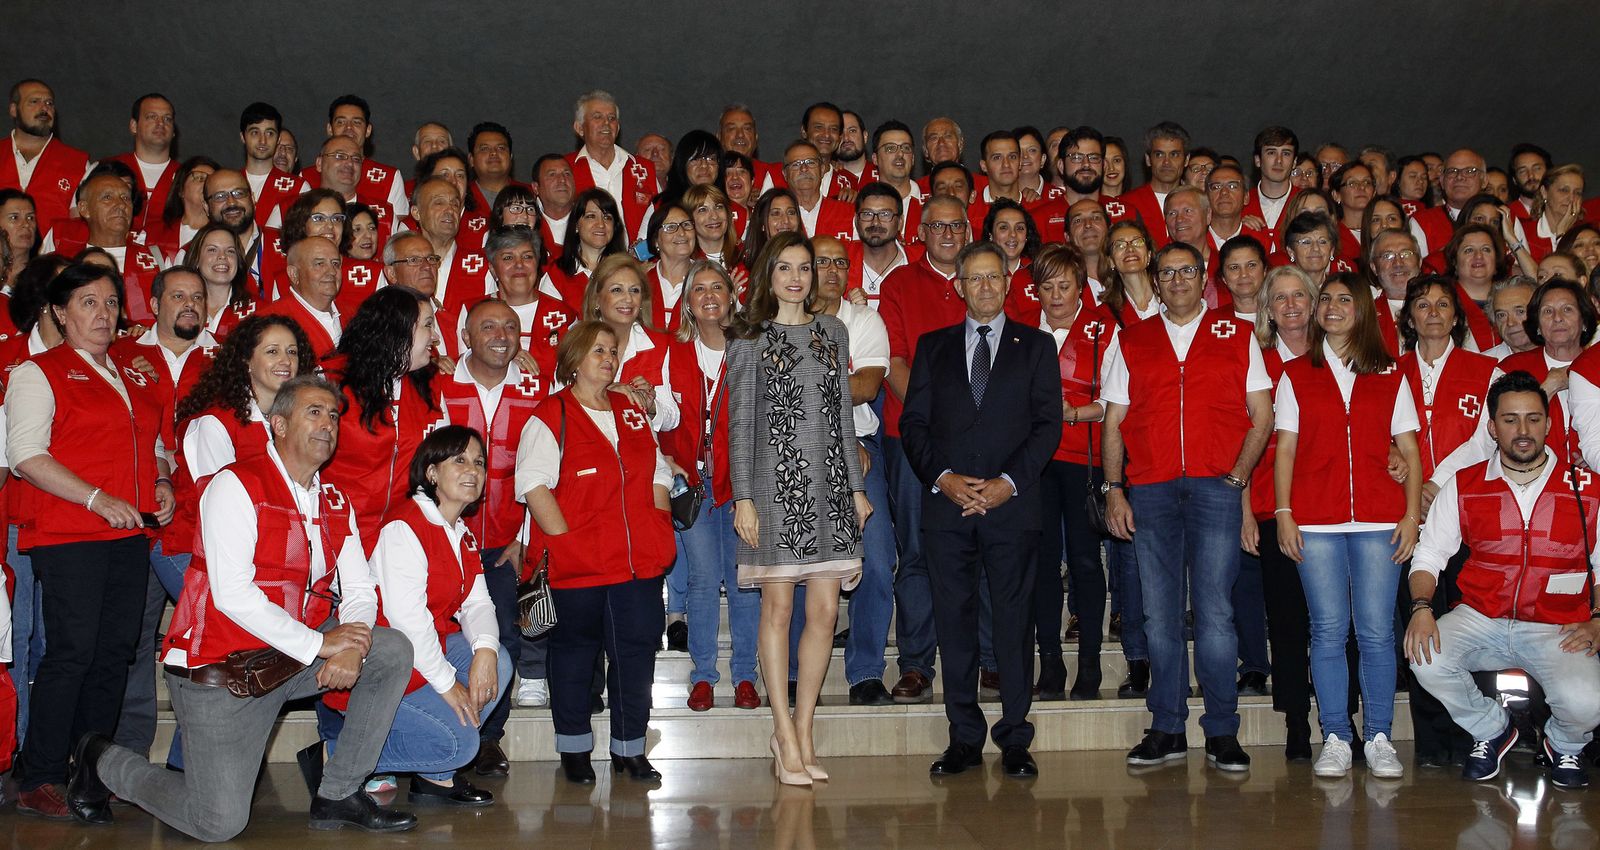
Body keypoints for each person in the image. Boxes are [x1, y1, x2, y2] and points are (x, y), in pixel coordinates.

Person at [69, 375, 417, 839]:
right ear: (278, 424)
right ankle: (101, 758)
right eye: (314, 412)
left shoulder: (335, 500)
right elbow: (232, 593)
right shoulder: (235, 484)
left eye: (334, 416)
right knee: (217, 823)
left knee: (389, 649)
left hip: (290, 659)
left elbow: (359, 588)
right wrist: (322, 645)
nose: (328, 424)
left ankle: (339, 792)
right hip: (224, 670)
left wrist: (351, 646)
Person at [4, 260, 173, 818]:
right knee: (72, 653)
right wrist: (96, 499)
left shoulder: (131, 371)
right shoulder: (39, 372)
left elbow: (152, 443)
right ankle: (42, 774)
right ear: (59, 311)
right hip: (69, 534)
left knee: (115, 655)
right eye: (88, 303)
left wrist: (162, 481)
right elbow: (26, 455)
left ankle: (92, 770)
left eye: (110, 302)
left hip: (128, 535)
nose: (103, 313)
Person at [1102, 241, 1274, 773]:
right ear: (1156, 281)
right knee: (1159, 616)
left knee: (1216, 614)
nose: (1177, 280)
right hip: (1151, 489)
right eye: (1168, 273)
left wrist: (1237, 477)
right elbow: (1114, 421)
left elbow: (1262, 415)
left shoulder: (1237, 334)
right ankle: (1167, 727)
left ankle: (1222, 730)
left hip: (1215, 489)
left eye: (1187, 271)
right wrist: (1114, 488)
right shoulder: (1132, 339)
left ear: (1204, 278)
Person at [899, 239, 1058, 778]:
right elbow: (913, 424)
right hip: (947, 509)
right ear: (959, 286)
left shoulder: (1036, 346)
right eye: (975, 278)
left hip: (1012, 508)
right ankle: (964, 737)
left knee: (1013, 624)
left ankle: (1015, 736)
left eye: (994, 277)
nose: (985, 287)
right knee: (955, 624)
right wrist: (942, 478)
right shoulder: (933, 346)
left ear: (1009, 283)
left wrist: (1008, 483)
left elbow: (1047, 426)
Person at [1406, 371, 1600, 790]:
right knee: (1424, 654)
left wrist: (1598, 618)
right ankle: (1492, 729)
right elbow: (1429, 555)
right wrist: (1421, 609)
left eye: (1533, 418)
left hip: (1557, 625)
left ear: (1549, 423)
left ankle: (1564, 744)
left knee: (1588, 702)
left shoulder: (1587, 487)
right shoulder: (1464, 484)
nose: (1523, 430)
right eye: (1510, 420)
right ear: (1492, 427)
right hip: (1482, 617)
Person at [726, 231, 870, 786]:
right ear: (769, 273)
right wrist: (743, 496)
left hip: (829, 487)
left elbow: (842, 417)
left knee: (827, 613)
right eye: (784, 267)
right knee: (779, 609)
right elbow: (741, 425)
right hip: (773, 487)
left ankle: (805, 729)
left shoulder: (833, 332)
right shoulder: (749, 339)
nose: (795, 277)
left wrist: (855, 489)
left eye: (804, 268)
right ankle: (782, 730)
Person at [1274, 273, 1423, 780]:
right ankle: (1336, 734)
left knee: (1377, 631)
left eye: (1344, 299)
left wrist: (1410, 515)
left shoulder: (1391, 374)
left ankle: (1379, 735)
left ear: (1362, 310)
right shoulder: (1295, 374)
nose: (1333, 306)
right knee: (1328, 630)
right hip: (1315, 521)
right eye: (1326, 299)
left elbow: (1409, 450)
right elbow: (1286, 449)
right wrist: (1284, 513)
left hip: (1380, 519)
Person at [515, 320, 676, 784]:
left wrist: (658, 522)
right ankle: (574, 750)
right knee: (573, 657)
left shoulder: (630, 408)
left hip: (637, 563)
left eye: (612, 350)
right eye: (598, 351)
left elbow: (658, 470)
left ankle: (630, 749)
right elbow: (533, 484)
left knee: (636, 655)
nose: (609, 358)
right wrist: (566, 541)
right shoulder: (552, 413)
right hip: (578, 565)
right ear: (574, 360)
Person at [328, 425, 510, 806]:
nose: (472, 470)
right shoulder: (405, 525)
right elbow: (408, 622)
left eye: (479, 462)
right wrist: (448, 685)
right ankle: (337, 755)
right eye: (459, 460)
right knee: (462, 745)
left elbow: (478, 603)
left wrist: (486, 651)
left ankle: (434, 776)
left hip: (424, 655)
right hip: (385, 667)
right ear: (431, 472)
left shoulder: (460, 532)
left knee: (500, 662)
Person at [434, 297, 552, 772]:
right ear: (466, 337)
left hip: (506, 542)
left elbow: (545, 469)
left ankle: (487, 737)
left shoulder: (537, 386)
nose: (501, 336)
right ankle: (441, 730)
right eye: (488, 327)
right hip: (446, 538)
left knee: (504, 635)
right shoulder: (440, 383)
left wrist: (524, 534)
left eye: (510, 327)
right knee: (442, 637)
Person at [878, 196, 972, 704]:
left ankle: (987, 658)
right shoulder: (899, 284)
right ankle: (916, 664)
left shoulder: (985, 278)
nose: (948, 234)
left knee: (977, 546)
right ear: (920, 232)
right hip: (911, 439)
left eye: (956, 226)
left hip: (980, 442)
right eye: (938, 226)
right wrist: (937, 423)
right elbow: (893, 362)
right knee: (915, 551)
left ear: (968, 229)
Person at [662, 260, 760, 710]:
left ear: (731, 296)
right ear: (687, 302)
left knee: (743, 581)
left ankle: (745, 676)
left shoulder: (751, 348)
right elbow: (663, 415)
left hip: (742, 483)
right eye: (698, 288)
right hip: (691, 483)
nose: (708, 296)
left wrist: (752, 486)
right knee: (702, 579)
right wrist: (665, 457)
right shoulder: (672, 351)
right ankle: (702, 676)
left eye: (716, 286)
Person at [808, 237, 896, 705]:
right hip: (796, 449)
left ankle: (865, 671)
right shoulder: (779, 319)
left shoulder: (863, 319)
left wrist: (805, 383)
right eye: (821, 261)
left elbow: (866, 386)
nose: (832, 270)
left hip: (860, 444)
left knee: (877, 560)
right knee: (799, 561)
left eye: (840, 263)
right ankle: (797, 673)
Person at [1030, 244, 1116, 701]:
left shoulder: (1106, 328)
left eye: (1064, 286)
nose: (1056, 296)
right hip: (1035, 462)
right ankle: (1049, 663)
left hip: (1085, 457)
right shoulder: (1023, 329)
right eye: (1047, 287)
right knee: (1042, 563)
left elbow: (1118, 401)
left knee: (1084, 560)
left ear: (1082, 287)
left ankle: (1089, 664)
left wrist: (1075, 413)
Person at [321, 286, 441, 551]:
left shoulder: (429, 386)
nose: (435, 337)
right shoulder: (329, 381)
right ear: (398, 328)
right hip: (337, 534)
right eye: (427, 325)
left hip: (398, 538)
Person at [1, 79, 89, 229]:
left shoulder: (77, 163)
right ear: (14, 110)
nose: (44, 108)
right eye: (34, 101)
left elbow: (78, 229)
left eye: (49, 103)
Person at [567, 90, 656, 236]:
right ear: (580, 128)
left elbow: (659, 218)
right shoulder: (565, 170)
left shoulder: (644, 169)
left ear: (618, 128)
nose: (606, 123)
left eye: (611, 118)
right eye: (597, 117)